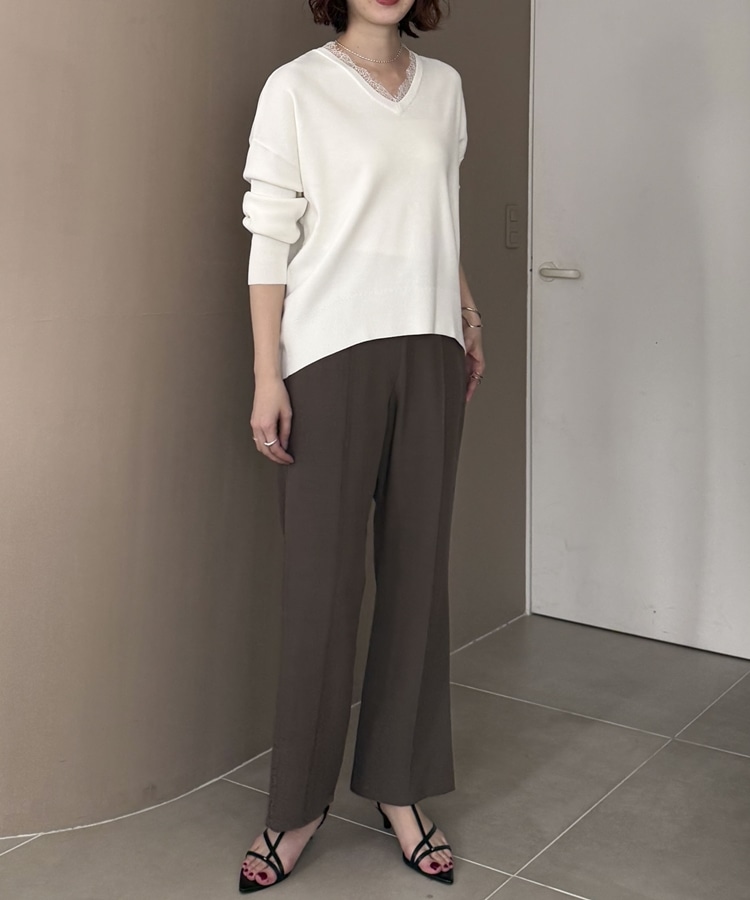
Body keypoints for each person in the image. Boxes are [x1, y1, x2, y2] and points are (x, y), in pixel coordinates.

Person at [238, 0, 485, 892]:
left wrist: (465, 310)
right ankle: (296, 807)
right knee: (321, 588)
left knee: (417, 580)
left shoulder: (445, 88)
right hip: (328, 355)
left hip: (429, 347)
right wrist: (267, 374)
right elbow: (271, 235)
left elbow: (437, 213)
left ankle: (399, 790)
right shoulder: (295, 88)